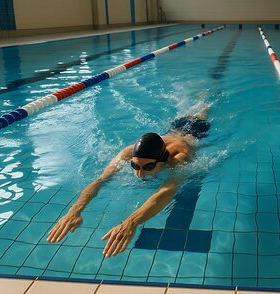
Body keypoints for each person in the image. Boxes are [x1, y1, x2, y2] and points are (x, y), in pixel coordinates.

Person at [47, 106, 210, 258]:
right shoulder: (127, 152)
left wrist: (130, 222)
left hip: (196, 130)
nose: (139, 173)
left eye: (148, 167)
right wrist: (75, 210)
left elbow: (166, 190)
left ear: (161, 162)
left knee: (202, 108)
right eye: (135, 165)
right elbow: (100, 180)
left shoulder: (179, 159)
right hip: (174, 128)